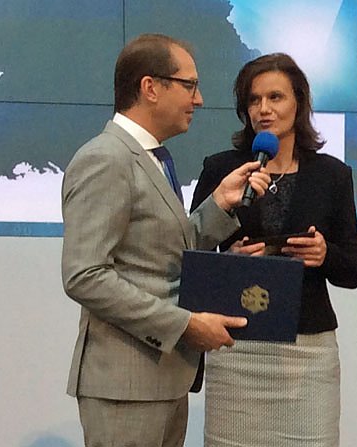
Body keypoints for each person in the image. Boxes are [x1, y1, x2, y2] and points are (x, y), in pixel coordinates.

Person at [60, 33, 271, 447]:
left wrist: (218, 204)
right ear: (150, 87)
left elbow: (162, 253)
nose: (199, 100)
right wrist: (185, 324)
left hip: (164, 380)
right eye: (189, 85)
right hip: (125, 387)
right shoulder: (106, 158)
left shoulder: (151, 158)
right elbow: (84, 275)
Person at [190, 53, 357, 446]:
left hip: (308, 352)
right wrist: (229, 262)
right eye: (254, 100)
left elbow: (354, 271)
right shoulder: (221, 169)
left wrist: (324, 255)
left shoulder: (332, 175)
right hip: (235, 345)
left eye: (275, 97)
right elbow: (190, 253)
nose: (264, 109)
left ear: (298, 103)